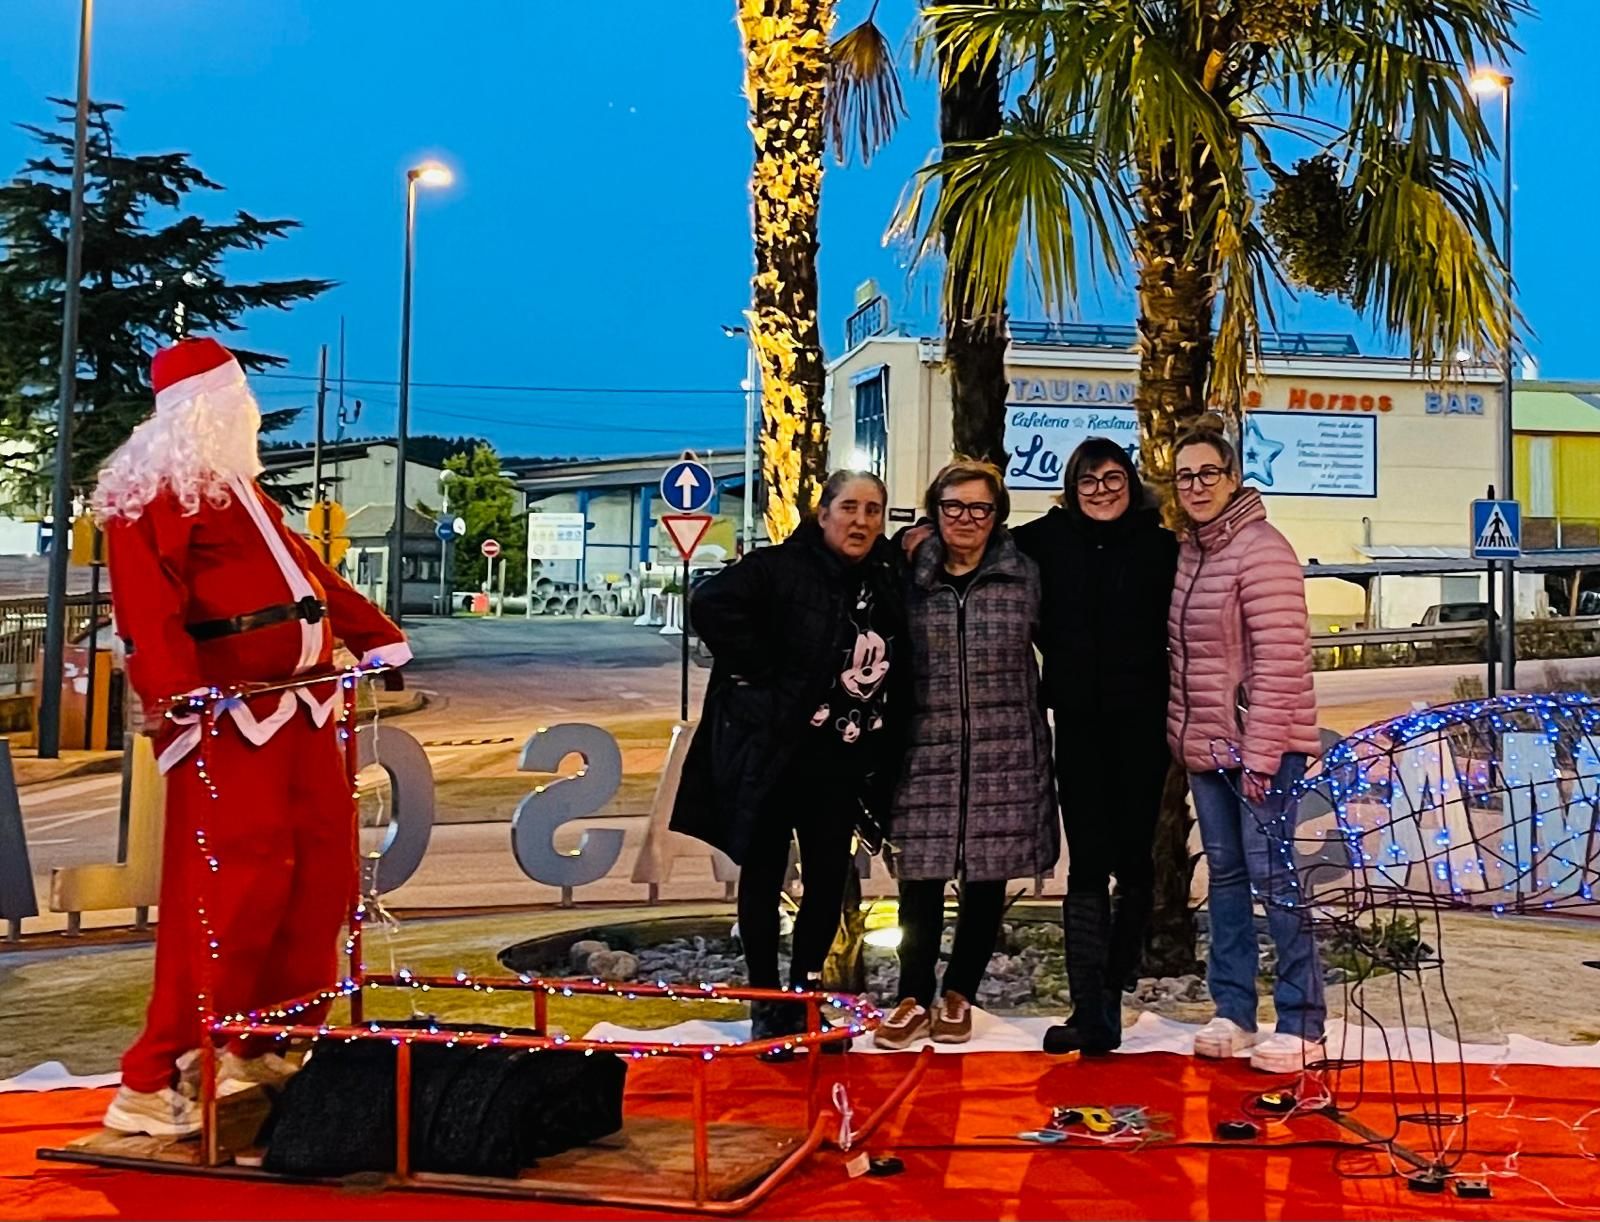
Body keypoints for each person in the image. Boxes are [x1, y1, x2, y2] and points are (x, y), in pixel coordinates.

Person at [93, 338, 412, 1136]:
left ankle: (267, 1034)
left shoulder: (244, 493)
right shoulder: (148, 491)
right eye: (239, 399)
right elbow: (145, 604)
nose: (253, 413)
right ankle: (153, 1071)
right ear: (207, 406)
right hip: (231, 716)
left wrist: (371, 635)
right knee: (232, 887)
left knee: (321, 874)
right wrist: (176, 692)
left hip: (301, 707)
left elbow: (310, 579)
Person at [671, 471, 906, 1050]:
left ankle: (803, 996)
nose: (861, 521)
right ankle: (765, 1000)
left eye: (873, 510)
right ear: (822, 513)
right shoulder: (780, 567)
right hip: (777, 753)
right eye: (849, 507)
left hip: (841, 759)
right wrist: (761, 672)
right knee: (762, 873)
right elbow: (709, 602)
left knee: (829, 878)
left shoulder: (884, 574)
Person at [873, 461, 1057, 1049]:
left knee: (986, 881)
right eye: (954, 506)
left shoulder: (1024, 575)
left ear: (996, 516)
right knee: (918, 882)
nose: (966, 519)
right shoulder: (906, 575)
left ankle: (960, 993)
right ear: (935, 510)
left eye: (980, 508)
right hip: (923, 746)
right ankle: (910, 993)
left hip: (1006, 750)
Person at [1167, 419, 1326, 1074]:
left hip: (1261, 750)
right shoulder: (1192, 551)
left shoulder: (1262, 549)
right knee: (1227, 878)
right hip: (1209, 747)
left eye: (1209, 473)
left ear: (1233, 477)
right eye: (1185, 476)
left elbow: (1282, 660)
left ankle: (1302, 1019)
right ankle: (1233, 1010)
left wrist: (1261, 755)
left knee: (1274, 876)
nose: (1197, 486)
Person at [1011, 438, 1178, 1056]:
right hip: (1079, 724)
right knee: (1084, 864)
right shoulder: (1047, 542)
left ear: (1131, 483)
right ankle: (1087, 1008)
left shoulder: (1161, 546)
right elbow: (974, 539)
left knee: (1133, 862)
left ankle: (1110, 994)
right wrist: (917, 536)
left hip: (1143, 726)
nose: (1102, 490)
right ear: (1071, 488)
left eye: (1113, 478)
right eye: (1088, 481)